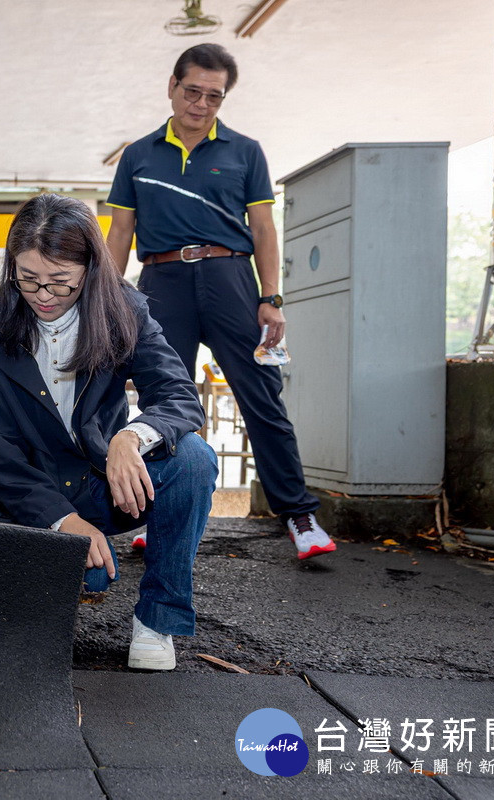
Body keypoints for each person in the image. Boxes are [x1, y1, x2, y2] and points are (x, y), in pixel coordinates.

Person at [0, 193, 217, 670]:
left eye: (61, 282)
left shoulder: (124, 311)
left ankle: (158, 620)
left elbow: (180, 397)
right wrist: (64, 521)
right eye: (29, 279)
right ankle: (74, 560)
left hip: (104, 488)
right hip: (34, 502)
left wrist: (131, 437)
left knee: (194, 459)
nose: (43, 295)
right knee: (63, 600)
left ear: (90, 270)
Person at [103, 42, 335, 561]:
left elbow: (264, 228)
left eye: (214, 96)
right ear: (172, 86)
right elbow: (120, 232)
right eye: (193, 92)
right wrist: (110, 298)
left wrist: (270, 296)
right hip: (161, 282)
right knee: (163, 402)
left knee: (262, 396)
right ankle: (150, 513)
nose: (201, 105)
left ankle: (299, 515)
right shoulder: (138, 155)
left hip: (232, 277)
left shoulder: (245, 151)